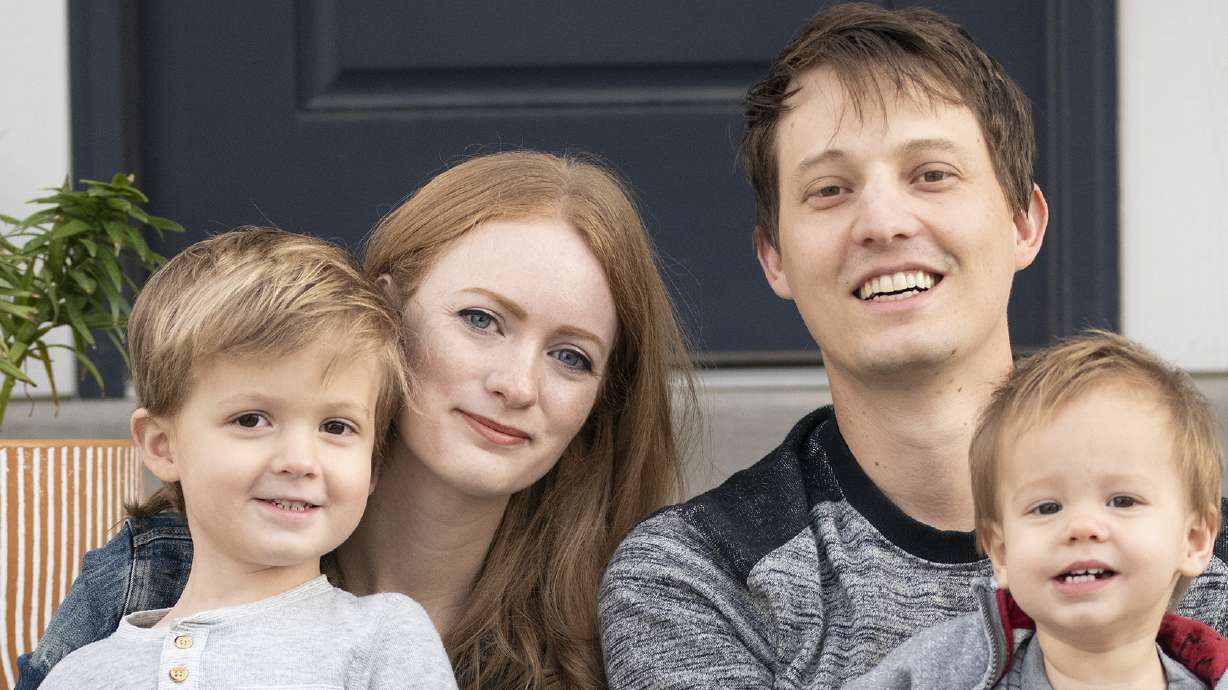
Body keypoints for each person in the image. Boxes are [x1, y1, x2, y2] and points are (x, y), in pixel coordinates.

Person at [597, 4, 1228, 688]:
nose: (883, 222)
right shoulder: (700, 577)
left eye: (931, 174)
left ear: (1024, 223)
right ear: (774, 257)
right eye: (830, 189)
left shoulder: (1205, 550)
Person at [17, 151, 696, 690]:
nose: (517, 385)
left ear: (602, 401)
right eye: (481, 319)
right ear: (385, 313)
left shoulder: (617, 617)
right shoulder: (160, 567)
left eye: (572, 357)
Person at [40, 228, 457, 688]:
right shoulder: (79, 674)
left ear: (373, 466)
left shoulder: (382, 638)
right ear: (162, 446)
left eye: (336, 427)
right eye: (251, 420)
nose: (299, 461)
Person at [846, 331, 1226, 689]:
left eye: (1122, 501)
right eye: (1047, 507)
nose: (1081, 526)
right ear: (1003, 552)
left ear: (1193, 540)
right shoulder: (949, 668)